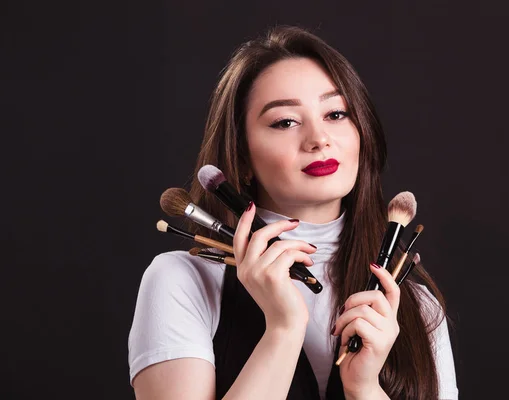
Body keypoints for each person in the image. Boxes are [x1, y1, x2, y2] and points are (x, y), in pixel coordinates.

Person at [128, 25, 458, 400]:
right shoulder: (183, 282)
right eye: (285, 122)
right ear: (242, 156)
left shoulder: (415, 306)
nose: (318, 139)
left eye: (336, 114)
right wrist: (283, 331)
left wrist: (364, 388)